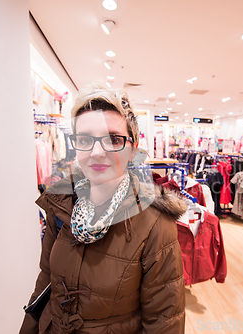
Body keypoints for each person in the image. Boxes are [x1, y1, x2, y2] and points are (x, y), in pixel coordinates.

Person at [20, 85, 186, 334]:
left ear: (132, 146)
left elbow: (164, 322)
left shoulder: (155, 223)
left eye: (114, 139)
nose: (97, 152)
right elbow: (46, 280)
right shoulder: (61, 203)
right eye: (85, 140)